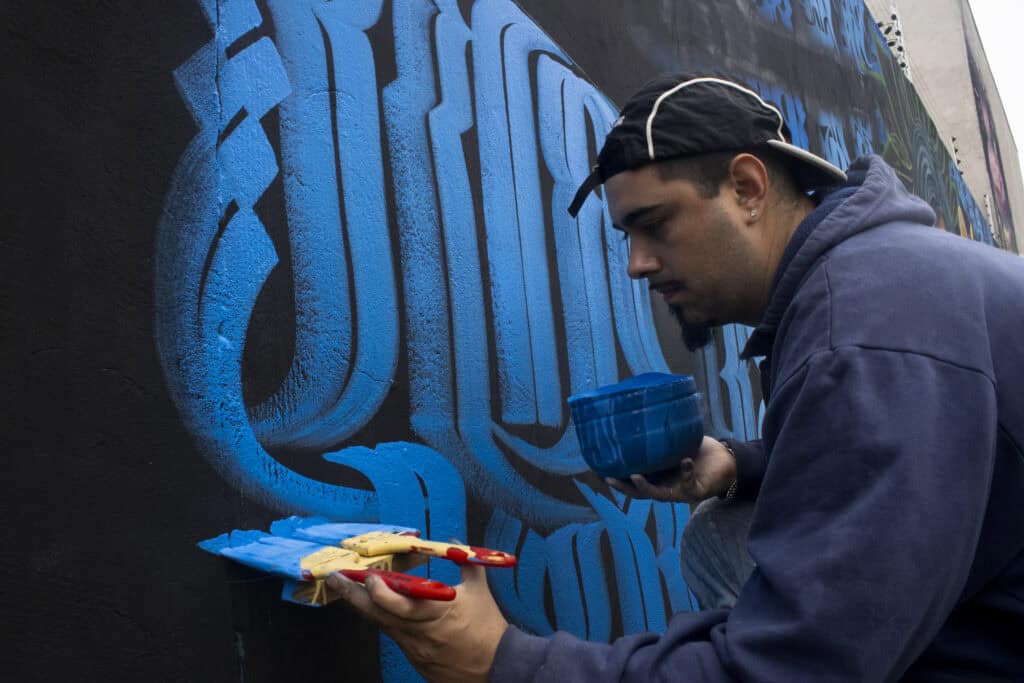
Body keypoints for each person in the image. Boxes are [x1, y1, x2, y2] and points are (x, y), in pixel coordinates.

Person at [328, 73, 1024, 681]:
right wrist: (740, 467)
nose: (637, 263)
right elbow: (925, 465)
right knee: (719, 530)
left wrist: (505, 660)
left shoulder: (865, 333)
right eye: (627, 236)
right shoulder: (873, 286)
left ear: (748, 188)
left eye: (654, 224)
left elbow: (793, 668)